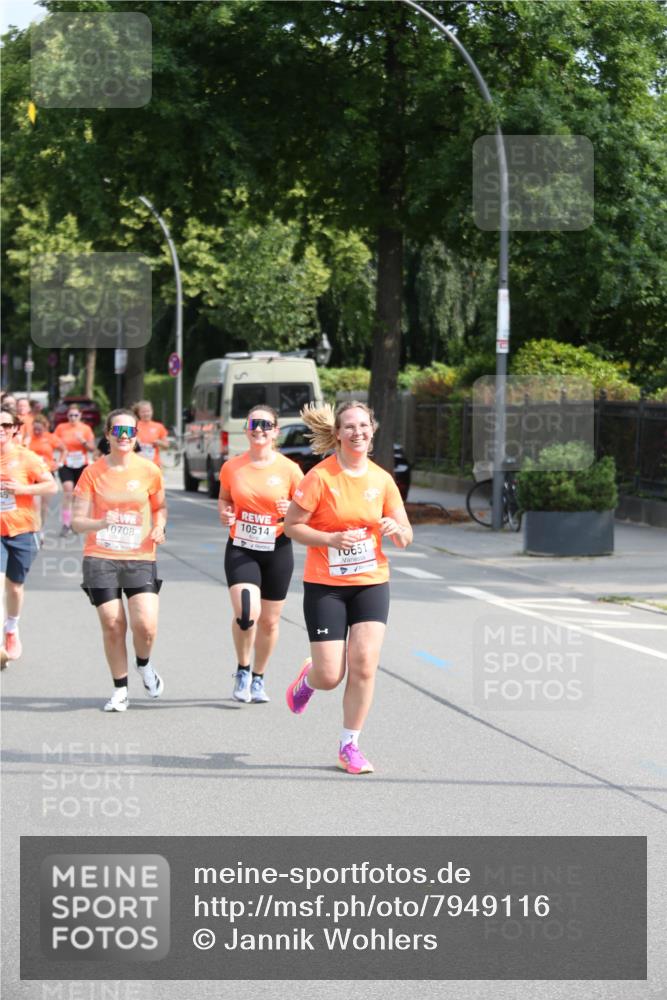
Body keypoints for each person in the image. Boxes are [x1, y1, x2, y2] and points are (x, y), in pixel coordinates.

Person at [283, 401, 413, 775]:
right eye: (350, 426)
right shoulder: (320, 478)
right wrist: (329, 539)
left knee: (365, 664)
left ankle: (349, 745)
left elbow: (406, 534)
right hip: (326, 586)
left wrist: (396, 531)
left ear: (372, 431)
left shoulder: (382, 480)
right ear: (338, 433)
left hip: (371, 582)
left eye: (364, 426)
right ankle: (308, 678)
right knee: (329, 675)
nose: (358, 432)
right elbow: (292, 526)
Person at [72, 408, 167, 712]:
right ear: (108, 435)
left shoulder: (149, 470)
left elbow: (160, 507)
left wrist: (159, 526)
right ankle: (120, 690)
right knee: (113, 624)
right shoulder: (92, 472)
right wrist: (101, 522)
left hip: (140, 556)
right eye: (118, 431)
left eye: (130, 431)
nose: (124, 437)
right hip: (101, 555)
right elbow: (76, 522)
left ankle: (144, 664)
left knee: (146, 626)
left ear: (136, 436)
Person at [218, 405, 303, 704]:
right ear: (246, 429)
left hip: (277, 549)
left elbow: (305, 512)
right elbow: (225, 499)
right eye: (254, 423)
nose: (260, 429)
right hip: (241, 546)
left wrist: (290, 511)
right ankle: (242, 669)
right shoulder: (232, 467)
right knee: (246, 613)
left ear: (276, 431)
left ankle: (258, 677)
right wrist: (225, 514)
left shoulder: (290, 469)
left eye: (266, 424)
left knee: (269, 621)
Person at [0, 408, 57, 665]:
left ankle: (11, 628)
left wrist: (23, 488)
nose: (1, 429)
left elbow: (51, 485)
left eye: (5, 425)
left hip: (23, 530)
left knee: (14, 586)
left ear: (14, 428)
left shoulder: (27, 458)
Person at [53, 404, 95, 535]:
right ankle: (66, 524)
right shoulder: (61, 428)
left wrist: (82, 441)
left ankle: (75, 522)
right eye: (70, 415)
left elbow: (92, 449)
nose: (73, 418)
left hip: (81, 464)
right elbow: (54, 443)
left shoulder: (86, 429)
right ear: (67, 416)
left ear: (80, 416)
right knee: (67, 492)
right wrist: (60, 447)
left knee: (78, 495)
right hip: (66, 464)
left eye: (76, 415)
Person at [27, 416, 63, 540]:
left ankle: (41, 528)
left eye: (39, 430)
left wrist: (60, 463)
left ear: (45, 428)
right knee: (35, 504)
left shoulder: (50, 438)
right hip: (32, 475)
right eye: (35, 429)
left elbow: (64, 449)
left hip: (47, 474)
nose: (37, 432)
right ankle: (36, 531)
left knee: (44, 506)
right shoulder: (28, 439)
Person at [133, 400, 169, 466]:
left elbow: (166, 446)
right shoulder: (133, 425)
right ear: (138, 413)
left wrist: (159, 442)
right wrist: (135, 442)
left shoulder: (159, 426)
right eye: (143, 412)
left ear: (152, 411)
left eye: (148, 411)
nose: (146, 414)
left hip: (154, 464)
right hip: (137, 464)